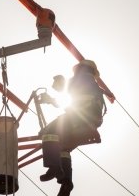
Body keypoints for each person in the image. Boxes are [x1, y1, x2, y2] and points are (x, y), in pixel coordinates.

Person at [38, 60, 105, 196]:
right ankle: (66, 183)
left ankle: (53, 166)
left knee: (46, 132)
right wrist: (51, 99)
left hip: (80, 119)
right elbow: (72, 99)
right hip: (89, 122)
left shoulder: (83, 78)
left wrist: (59, 83)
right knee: (64, 148)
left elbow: (63, 87)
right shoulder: (93, 85)